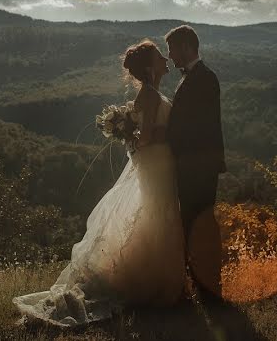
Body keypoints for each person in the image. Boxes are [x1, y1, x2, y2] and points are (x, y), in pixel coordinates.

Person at [13, 40, 185, 327]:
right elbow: (143, 139)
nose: (165, 58)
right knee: (158, 216)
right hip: (157, 164)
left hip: (158, 164)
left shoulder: (149, 94)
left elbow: (138, 137)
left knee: (155, 217)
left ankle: (157, 284)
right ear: (149, 66)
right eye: (159, 56)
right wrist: (172, 135)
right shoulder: (151, 95)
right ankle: (155, 287)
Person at [164, 25, 226, 301]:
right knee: (190, 221)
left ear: (187, 47)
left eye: (172, 50)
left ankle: (210, 283)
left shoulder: (205, 78)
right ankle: (199, 281)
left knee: (200, 222)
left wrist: (166, 141)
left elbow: (197, 126)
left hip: (199, 165)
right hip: (191, 164)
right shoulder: (193, 78)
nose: (170, 56)